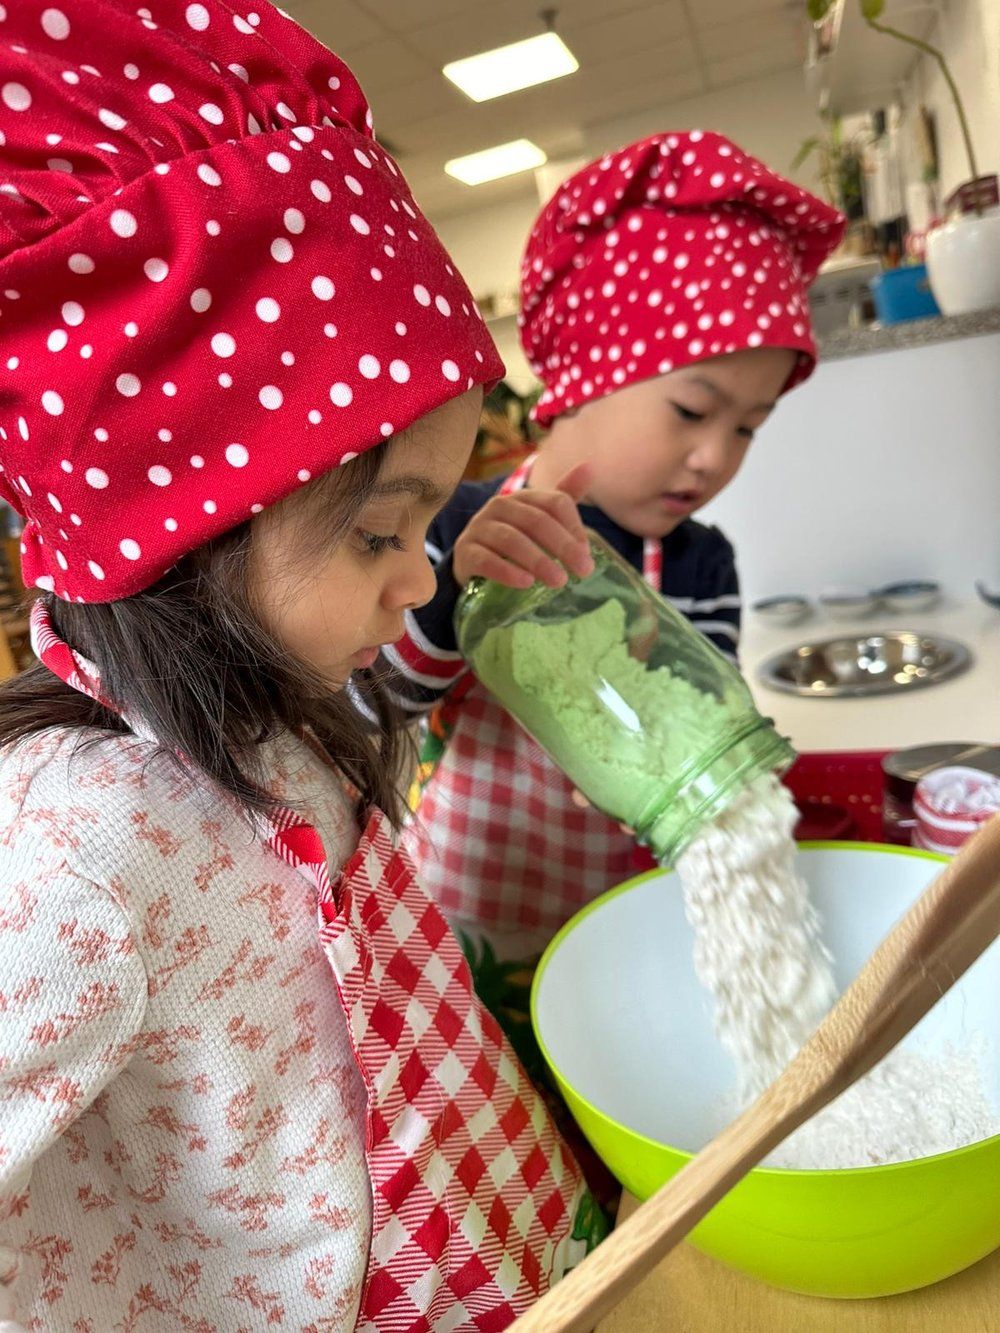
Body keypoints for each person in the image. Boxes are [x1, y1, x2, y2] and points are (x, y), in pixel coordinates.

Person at [0, 4, 604, 1329]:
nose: (419, 572)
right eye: (385, 531)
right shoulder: (83, 842)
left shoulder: (278, 703)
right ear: (181, 538)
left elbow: (387, 735)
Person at [391, 133, 845, 968]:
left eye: (748, 427)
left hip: (630, 917)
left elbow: (707, 742)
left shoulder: (703, 565)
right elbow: (385, 704)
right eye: (691, 410)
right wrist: (454, 591)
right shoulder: (460, 526)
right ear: (584, 376)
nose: (716, 456)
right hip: (471, 920)